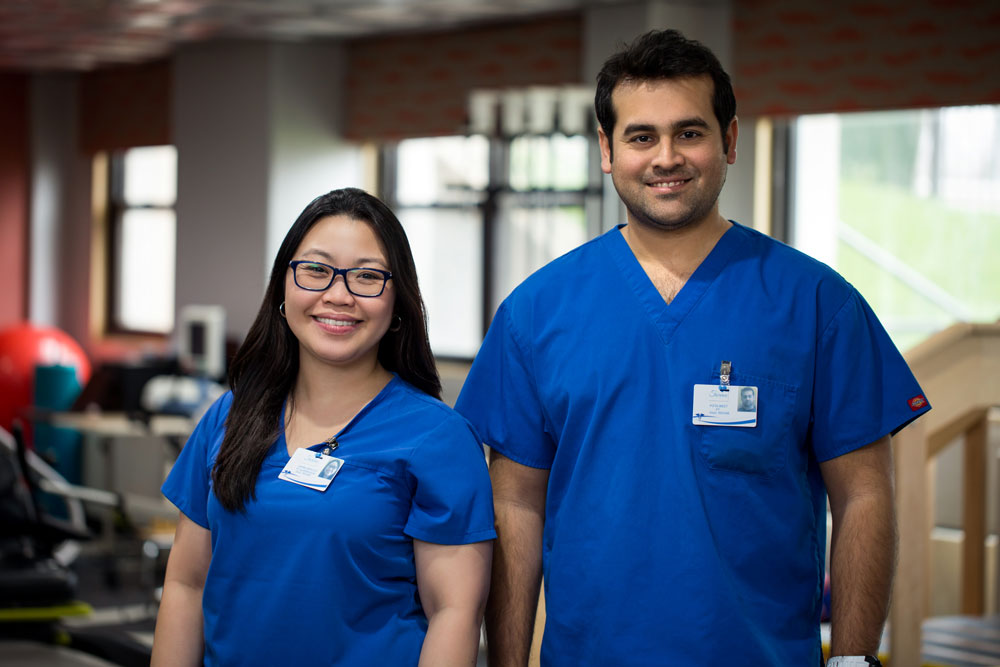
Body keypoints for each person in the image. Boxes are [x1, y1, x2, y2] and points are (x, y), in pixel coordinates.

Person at [455, 29, 930, 667]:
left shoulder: (817, 303)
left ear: (729, 140)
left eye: (690, 132)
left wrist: (851, 660)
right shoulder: (536, 312)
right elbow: (515, 504)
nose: (666, 157)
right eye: (641, 136)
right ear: (606, 149)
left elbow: (864, 495)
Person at [152, 188, 495, 665]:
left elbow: (455, 613)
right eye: (316, 270)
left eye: (367, 277)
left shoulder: (437, 439)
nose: (338, 295)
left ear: (397, 302)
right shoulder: (229, 417)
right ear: (283, 288)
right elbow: (185, 584)